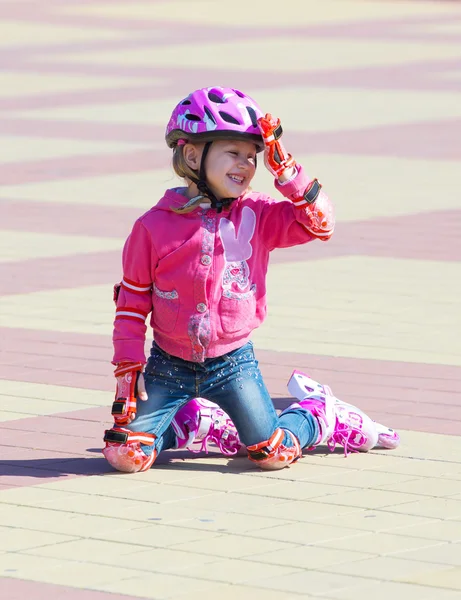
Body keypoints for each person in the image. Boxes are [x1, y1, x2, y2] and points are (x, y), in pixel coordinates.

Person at [102, 86, 395, 474]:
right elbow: (132, 304)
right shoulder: (152, 227)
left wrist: (286, 171)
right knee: (126, 456)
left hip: (233, 364)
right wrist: (128, 367)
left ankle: (317, 415)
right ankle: (197, 422)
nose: (246, 164)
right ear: (192, 155)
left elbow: (321, 224)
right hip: (167, 365)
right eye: (233, 153)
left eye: (252, 156)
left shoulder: (259, 214)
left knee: (270, 454)